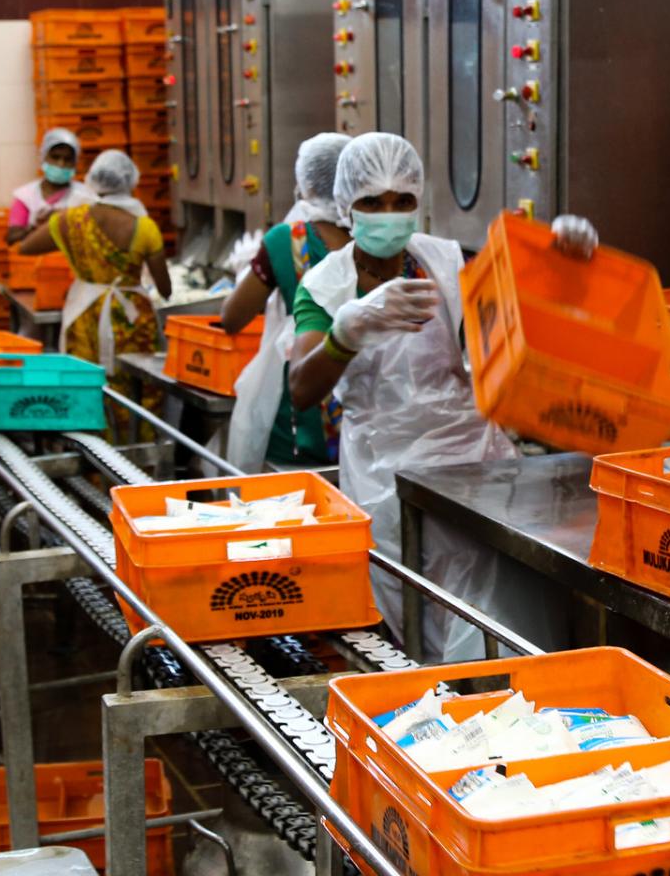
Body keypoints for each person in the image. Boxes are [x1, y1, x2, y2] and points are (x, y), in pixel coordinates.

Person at [285, 132, 596, 659]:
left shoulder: (443, 259)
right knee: (421, 617)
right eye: (372, 203)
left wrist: (559, 265)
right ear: (346, 207)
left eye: (401, 201)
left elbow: (512, 306)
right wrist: (348, 333)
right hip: (390, 481)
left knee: (503, 616)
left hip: (477, 464)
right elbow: (300, 387)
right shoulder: (325, 286)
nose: (389, 214)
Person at [14, 149, 170, 438]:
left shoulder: (71, 220)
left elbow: (25, 247)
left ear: (94, 181)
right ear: (131, 182)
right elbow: (165, 288)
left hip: (84, 318)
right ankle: (141, 456)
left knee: (87, 385)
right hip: (131, 322)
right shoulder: (144, 227)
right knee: (136, 390)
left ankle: (91, 461)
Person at [222, 132, 353, 470]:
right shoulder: (377, 241)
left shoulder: (287, 240)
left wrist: (257, 268)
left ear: (306, 184)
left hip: (301, 423)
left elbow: (232, 318)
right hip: (369, 420)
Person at [6, 127, 98, 247]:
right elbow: (11, 238)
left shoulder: (86, 196)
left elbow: (97, 235)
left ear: (75, 163)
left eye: (67, 159)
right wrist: (37, 227)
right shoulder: (25, 196)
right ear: (44, 157)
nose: (61, 164)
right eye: (55, 157)